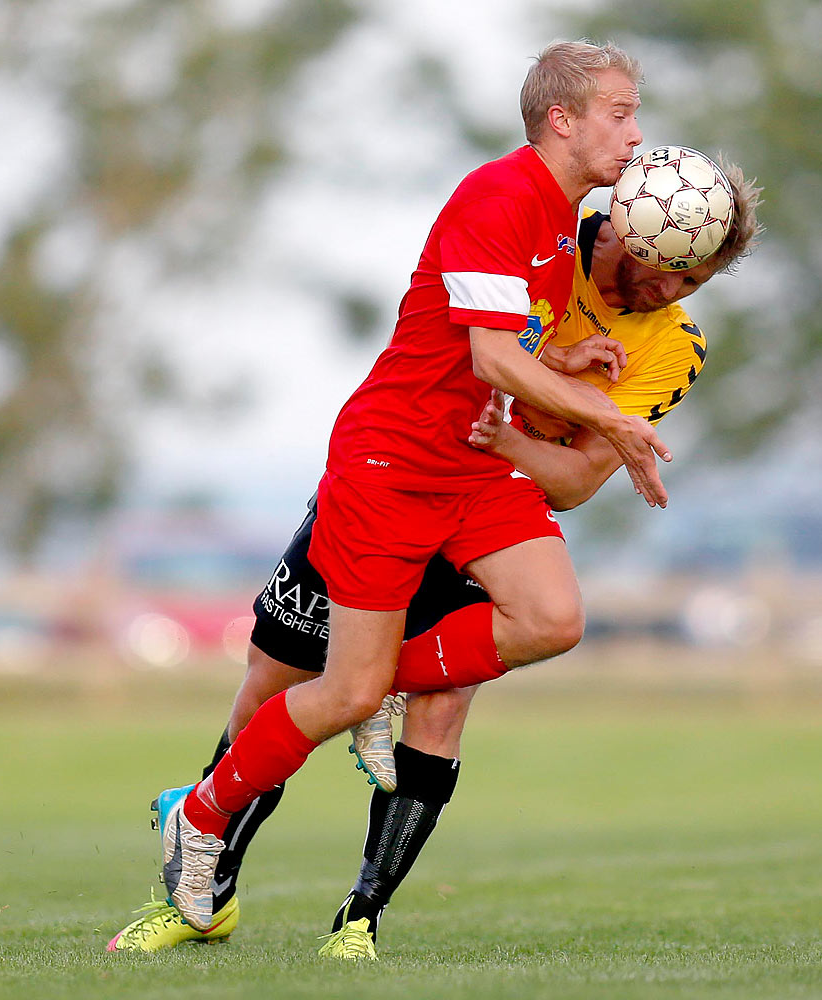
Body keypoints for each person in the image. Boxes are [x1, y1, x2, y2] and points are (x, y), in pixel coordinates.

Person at [108, 168, 763, 956]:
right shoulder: (548, 232)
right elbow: (469, 336)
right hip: (390, 469)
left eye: (698, 277)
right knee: (273, 684)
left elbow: (576, 482)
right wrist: (556, 375)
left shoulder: (675, 346)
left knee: (442, 698)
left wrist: (513, 440)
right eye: (678, 266)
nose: (676, 286)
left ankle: (359, 923)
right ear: (636, 226)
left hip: (484, 505)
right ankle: (200, 889)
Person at [153, 39, 671, 934]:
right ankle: (198, 817)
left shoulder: (559, 218)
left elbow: (491, 348)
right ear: (563, 119)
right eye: (621, 114)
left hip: (469, 464)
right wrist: (612, 418)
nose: (635, 135)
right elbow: (488, 354)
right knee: (341, 694)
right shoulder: (500, 196)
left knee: (551, 618)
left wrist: (562, 356)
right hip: (390, 466)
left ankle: (382, 684)